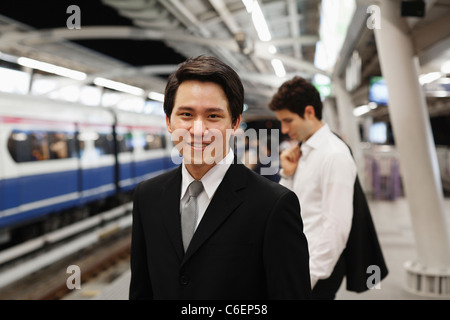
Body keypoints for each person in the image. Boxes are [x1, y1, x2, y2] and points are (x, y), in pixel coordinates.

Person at [129, 56, 311, 300]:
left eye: (213, 116)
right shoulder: (147, 196)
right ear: (169, 122)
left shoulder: (273, 205)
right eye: (186, 114)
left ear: (235, 123)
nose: (199, 130)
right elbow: (142, 291)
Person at [269, 76, 387, 299]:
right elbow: (290, 204)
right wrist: (288, 173)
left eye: (288, 121)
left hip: (315, 268)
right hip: (298, 259)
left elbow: (337, 226)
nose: (284, 129)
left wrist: (309, 277)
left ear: (309, 112)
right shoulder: (303, 151)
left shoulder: (334, 155)